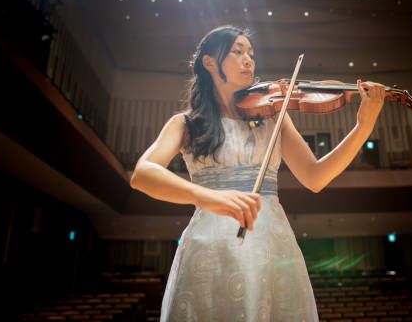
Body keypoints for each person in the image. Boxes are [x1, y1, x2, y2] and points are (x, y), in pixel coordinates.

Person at [130, 25, 386, 321]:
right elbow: (142, 174)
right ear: (209, 62)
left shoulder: (274, 115)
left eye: (250, 53)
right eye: (237, 52)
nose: (248, 60)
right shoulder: (185, 124)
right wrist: (210, 197)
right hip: (210, 244)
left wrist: (363, 127)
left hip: (271, 242)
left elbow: (316, 177)